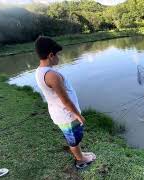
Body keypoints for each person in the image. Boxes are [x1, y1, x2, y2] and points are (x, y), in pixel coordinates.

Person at [34, 36, 95, 169]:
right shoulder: (51, 75)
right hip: (67, 115)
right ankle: (80, 160)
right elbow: (65, 100)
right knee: (74, 138)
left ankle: (80, 154)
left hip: (60, 113)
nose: (59, 57)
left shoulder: (39, 71)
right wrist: (78, 115)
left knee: (73, 137)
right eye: (58, 55)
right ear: (51, 55)